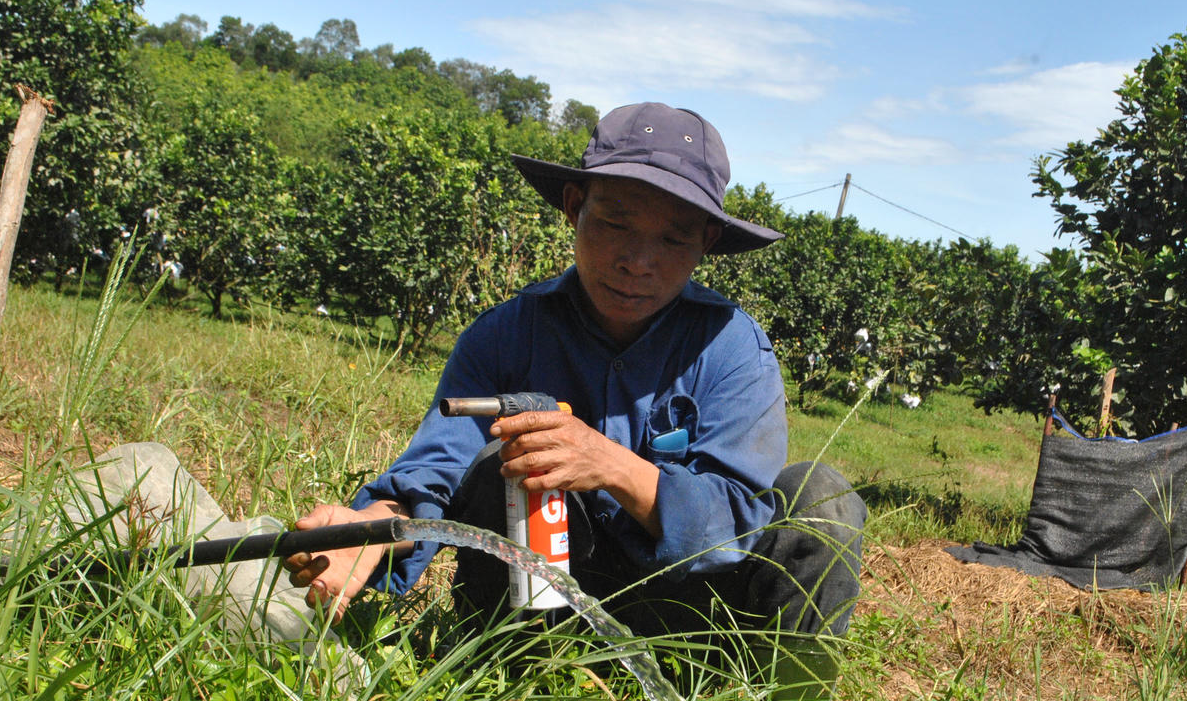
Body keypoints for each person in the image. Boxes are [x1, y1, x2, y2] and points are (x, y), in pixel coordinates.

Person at [282, 102, 867, 660]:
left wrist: (610, 464)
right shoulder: (506, 335)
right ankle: (516, 668)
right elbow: (435, 475)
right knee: (501, 461)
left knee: (823, 497)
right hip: (536, 607)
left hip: (687, 620)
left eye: (673, 238)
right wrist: (374, 526)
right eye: (616, 223)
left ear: (706, 243)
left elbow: (734, 521)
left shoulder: (733, 348)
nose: (638, 261)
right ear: (573, 206)